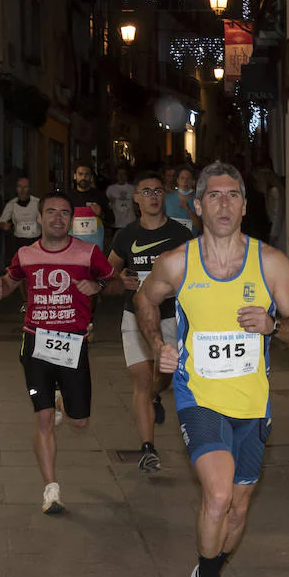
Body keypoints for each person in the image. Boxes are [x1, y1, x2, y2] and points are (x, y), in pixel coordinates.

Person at [135, 161, 289, 577]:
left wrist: (274, 325)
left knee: (237, 507)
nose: (223, 204)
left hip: (253, 403)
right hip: (199, 396)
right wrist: (159, 345)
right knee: (216, 495)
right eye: (213, 196)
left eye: (233, 195)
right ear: (196, 206)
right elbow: (145, 299)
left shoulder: (270, 263)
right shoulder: (178, 263)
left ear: (245, 205)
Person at [0, 192, 113, 514]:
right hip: (35, 342)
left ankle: (63, 403)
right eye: (51, 212)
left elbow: (113, 283)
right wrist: (0, 288)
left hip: (73, 344)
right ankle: (51, 490)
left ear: (71, 219)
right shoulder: (26, 254)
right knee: (42, 418)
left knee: (80, 422)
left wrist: (98, 287)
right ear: (39, 218)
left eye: (64, 213)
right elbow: (10, 280)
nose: (58, 218)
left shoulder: (88, 253)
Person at [106, 172, 194, 472]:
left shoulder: (181, 235)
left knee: (163, 376)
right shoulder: (126, 235)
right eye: (147, 191)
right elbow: (106, 272)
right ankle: (148, 448)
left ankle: (158, 394)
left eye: (158, 191)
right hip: (134, 314)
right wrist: (120, 279)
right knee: (141, 377)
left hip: (169, 315)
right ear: (136, 198)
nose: (154, 196)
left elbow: (195, 273)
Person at [0, 174, 41, 262]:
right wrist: (4, 225)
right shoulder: (11, 204)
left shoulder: (38, 202)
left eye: (25, 187)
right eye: (19, 187)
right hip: (18, 242)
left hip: (35, 241)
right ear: (16, 189)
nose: (22, 190)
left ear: (29, 189)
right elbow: (1, 222)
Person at [70, 161, 110, 250]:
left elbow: (111, 219)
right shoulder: (68, 197)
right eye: (80, 174)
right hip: (73, 247)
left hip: (94, 247)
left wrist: (101, 213)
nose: (83, 177)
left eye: (86, 174)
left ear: (91, 177)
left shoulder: (100, 196)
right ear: (75, 176)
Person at [164, 165, 198, 232]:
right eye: (182, 178)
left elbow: (200, 228)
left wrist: (188, 210)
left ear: (193, 181)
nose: (185, 181)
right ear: (177, 180)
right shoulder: (167, 199)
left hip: (191, 240)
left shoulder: (199, 201)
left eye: (188, 178)